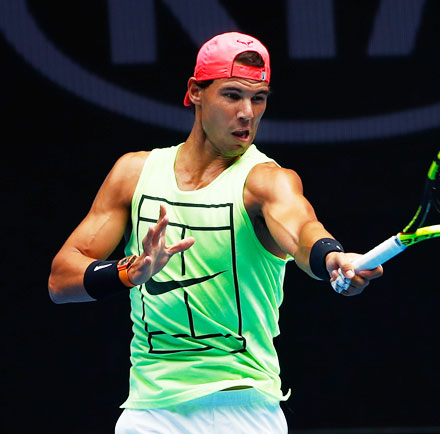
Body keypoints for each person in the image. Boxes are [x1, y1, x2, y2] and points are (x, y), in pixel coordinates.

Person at [48, 31, 382, 433]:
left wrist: (333, 258)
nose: (248, 113)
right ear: (195, 92)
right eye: (232, 95)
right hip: (149, 410)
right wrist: (127, 271)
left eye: (259, 98)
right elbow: (61, 279)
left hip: (241, 407)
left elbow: (303, 230)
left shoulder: (265, 182)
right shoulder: (133, 175)